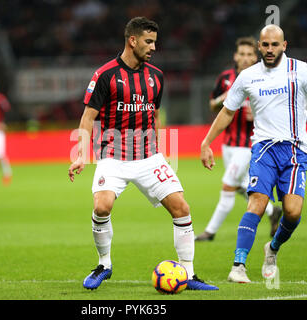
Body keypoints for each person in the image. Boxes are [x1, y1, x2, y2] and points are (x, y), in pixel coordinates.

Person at [68, 16, 218, 291]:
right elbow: (88, 117)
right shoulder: (106, 75)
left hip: (149, 157)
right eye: (148, 42)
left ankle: (189, 273)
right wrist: (80, 154)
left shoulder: (156, 77)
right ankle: (104, 265)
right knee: (102, 207)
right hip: (112, 156)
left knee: (181, 208)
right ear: (132, 40)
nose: (153, 48)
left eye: (155, 42)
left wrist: (159, 149)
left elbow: (155, 113)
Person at [199, 25, 307, 283]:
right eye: (265, 45)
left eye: (275, 44)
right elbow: (227, 111)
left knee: (292, 212)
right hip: (263, 149)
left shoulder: (301, 71)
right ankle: (238, 266)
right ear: (259, 46)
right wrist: (206, 142)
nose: (270, 49)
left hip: (295, 151)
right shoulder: (248, 76)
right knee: (257, 202)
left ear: (284, 45)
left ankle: (272, 248)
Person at [195, 37, 282, 242]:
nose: (245, 58)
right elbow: (212, 105)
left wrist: (260, 115)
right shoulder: (225, 77)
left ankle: (210, 232)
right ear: (235, 56)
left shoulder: (266, 79)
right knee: (241, 185)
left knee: (227, 186)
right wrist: (222, 99)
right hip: (228, 145)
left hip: (249, 145)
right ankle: (272, 211)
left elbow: (277, 112)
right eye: (241, 54)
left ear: (256, 56)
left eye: (249, 54)